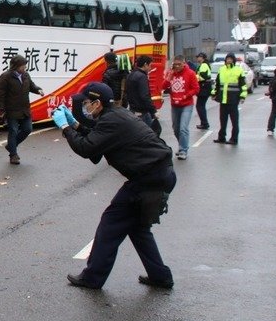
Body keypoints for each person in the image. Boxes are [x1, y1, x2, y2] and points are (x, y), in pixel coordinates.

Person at [50, 82, 175, 290]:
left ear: (98, 103)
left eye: (87, 103)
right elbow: (97, 143)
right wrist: (75, 125)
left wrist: (64, 127)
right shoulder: (115, 115)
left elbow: (87, 148)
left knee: (110, 224)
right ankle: (160, 276)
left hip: (148, 180)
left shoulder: (111, 120)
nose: (84, 106)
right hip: (157, 175)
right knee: (138, 228)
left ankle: (92, 278)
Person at [0, 55, 45, 165]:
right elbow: (0, 95)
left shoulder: (26, 75)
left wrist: (38, 90)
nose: (25, 68)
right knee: (13, 131)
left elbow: (32, 86)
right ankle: (13, 155)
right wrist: (1, 110)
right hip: (11, 110)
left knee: (27, 129)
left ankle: (10, 146)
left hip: (25, 109)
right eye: (23, 66)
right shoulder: (5, 77)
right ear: (15, 66)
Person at [164, 55, 199, 159]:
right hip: (174, 105)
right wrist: (169, 77)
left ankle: (183, 150)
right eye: (176, 64)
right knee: (176, 128)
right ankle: (182, 144)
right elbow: (163, 86)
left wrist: (186, 95)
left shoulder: (190, 73)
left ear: (184, 64)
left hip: (186, 105)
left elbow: (196, 89)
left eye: (180, 64)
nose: (178, 66)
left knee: (183, 128)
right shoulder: (171, 73)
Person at [212, 53, 248, 145]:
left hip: (233, 99)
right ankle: (221, 137)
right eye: (227, 59)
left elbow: (243, 85)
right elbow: (217, 83)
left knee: (234, 121)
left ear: (234, 60)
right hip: (223, 100)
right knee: (222, 120)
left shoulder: (238, 70)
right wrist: (214, 93)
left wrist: (242, 96)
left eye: (231, 59)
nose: (229, 60)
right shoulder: (222, 69)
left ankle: (234, 138)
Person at [125, 54, 157, 129]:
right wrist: (154, 111)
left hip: (132, 110)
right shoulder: (142, 77)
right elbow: (145, 96)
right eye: (150, 65)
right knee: (148, 135)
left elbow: (127, 92)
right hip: (142, 112)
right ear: (145, 64)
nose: (150, 68)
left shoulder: (130, 75)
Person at [194, 52, 212, 129]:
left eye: (199, 57)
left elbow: (203, 77)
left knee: (200, 106)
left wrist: (194, 78)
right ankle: (204, 123)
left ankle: (204, 123)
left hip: (204, 88)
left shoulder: (204, 65)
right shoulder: (203, 65)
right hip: (205, 87)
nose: (197, 58)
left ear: (202, 58)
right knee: (201, 106)